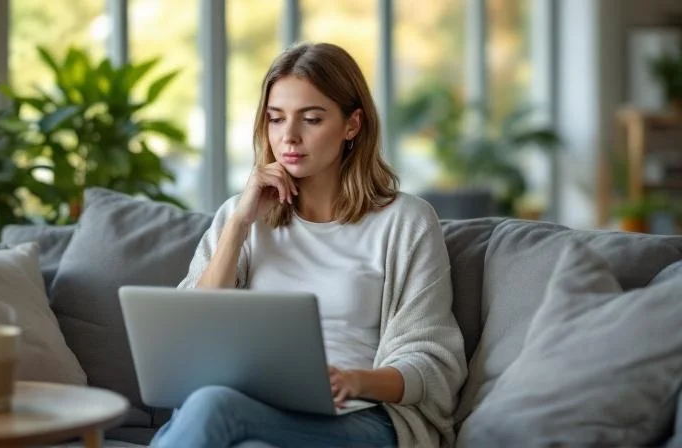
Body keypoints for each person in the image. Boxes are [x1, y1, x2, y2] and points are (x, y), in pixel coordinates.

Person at [151, 42, 467, 448]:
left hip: (362, 416)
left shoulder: (406, 221)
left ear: (352, 125)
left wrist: (355, 380)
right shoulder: (242, 216)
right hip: (258, 409)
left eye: (312, 119)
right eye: (276, 119)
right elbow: (195, 333)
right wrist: (240, 224)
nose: (289, 137)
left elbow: (433, 362)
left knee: (216, 408)